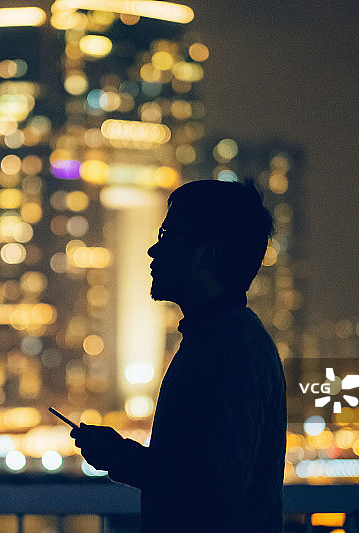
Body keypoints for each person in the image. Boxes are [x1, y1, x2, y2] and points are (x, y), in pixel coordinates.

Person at [71, 179, 286, 532]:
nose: (153, 250)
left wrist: (118, 455)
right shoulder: (218, 340)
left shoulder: (231, 350)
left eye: (167, 235)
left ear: (208, 253)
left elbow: (208, 491)